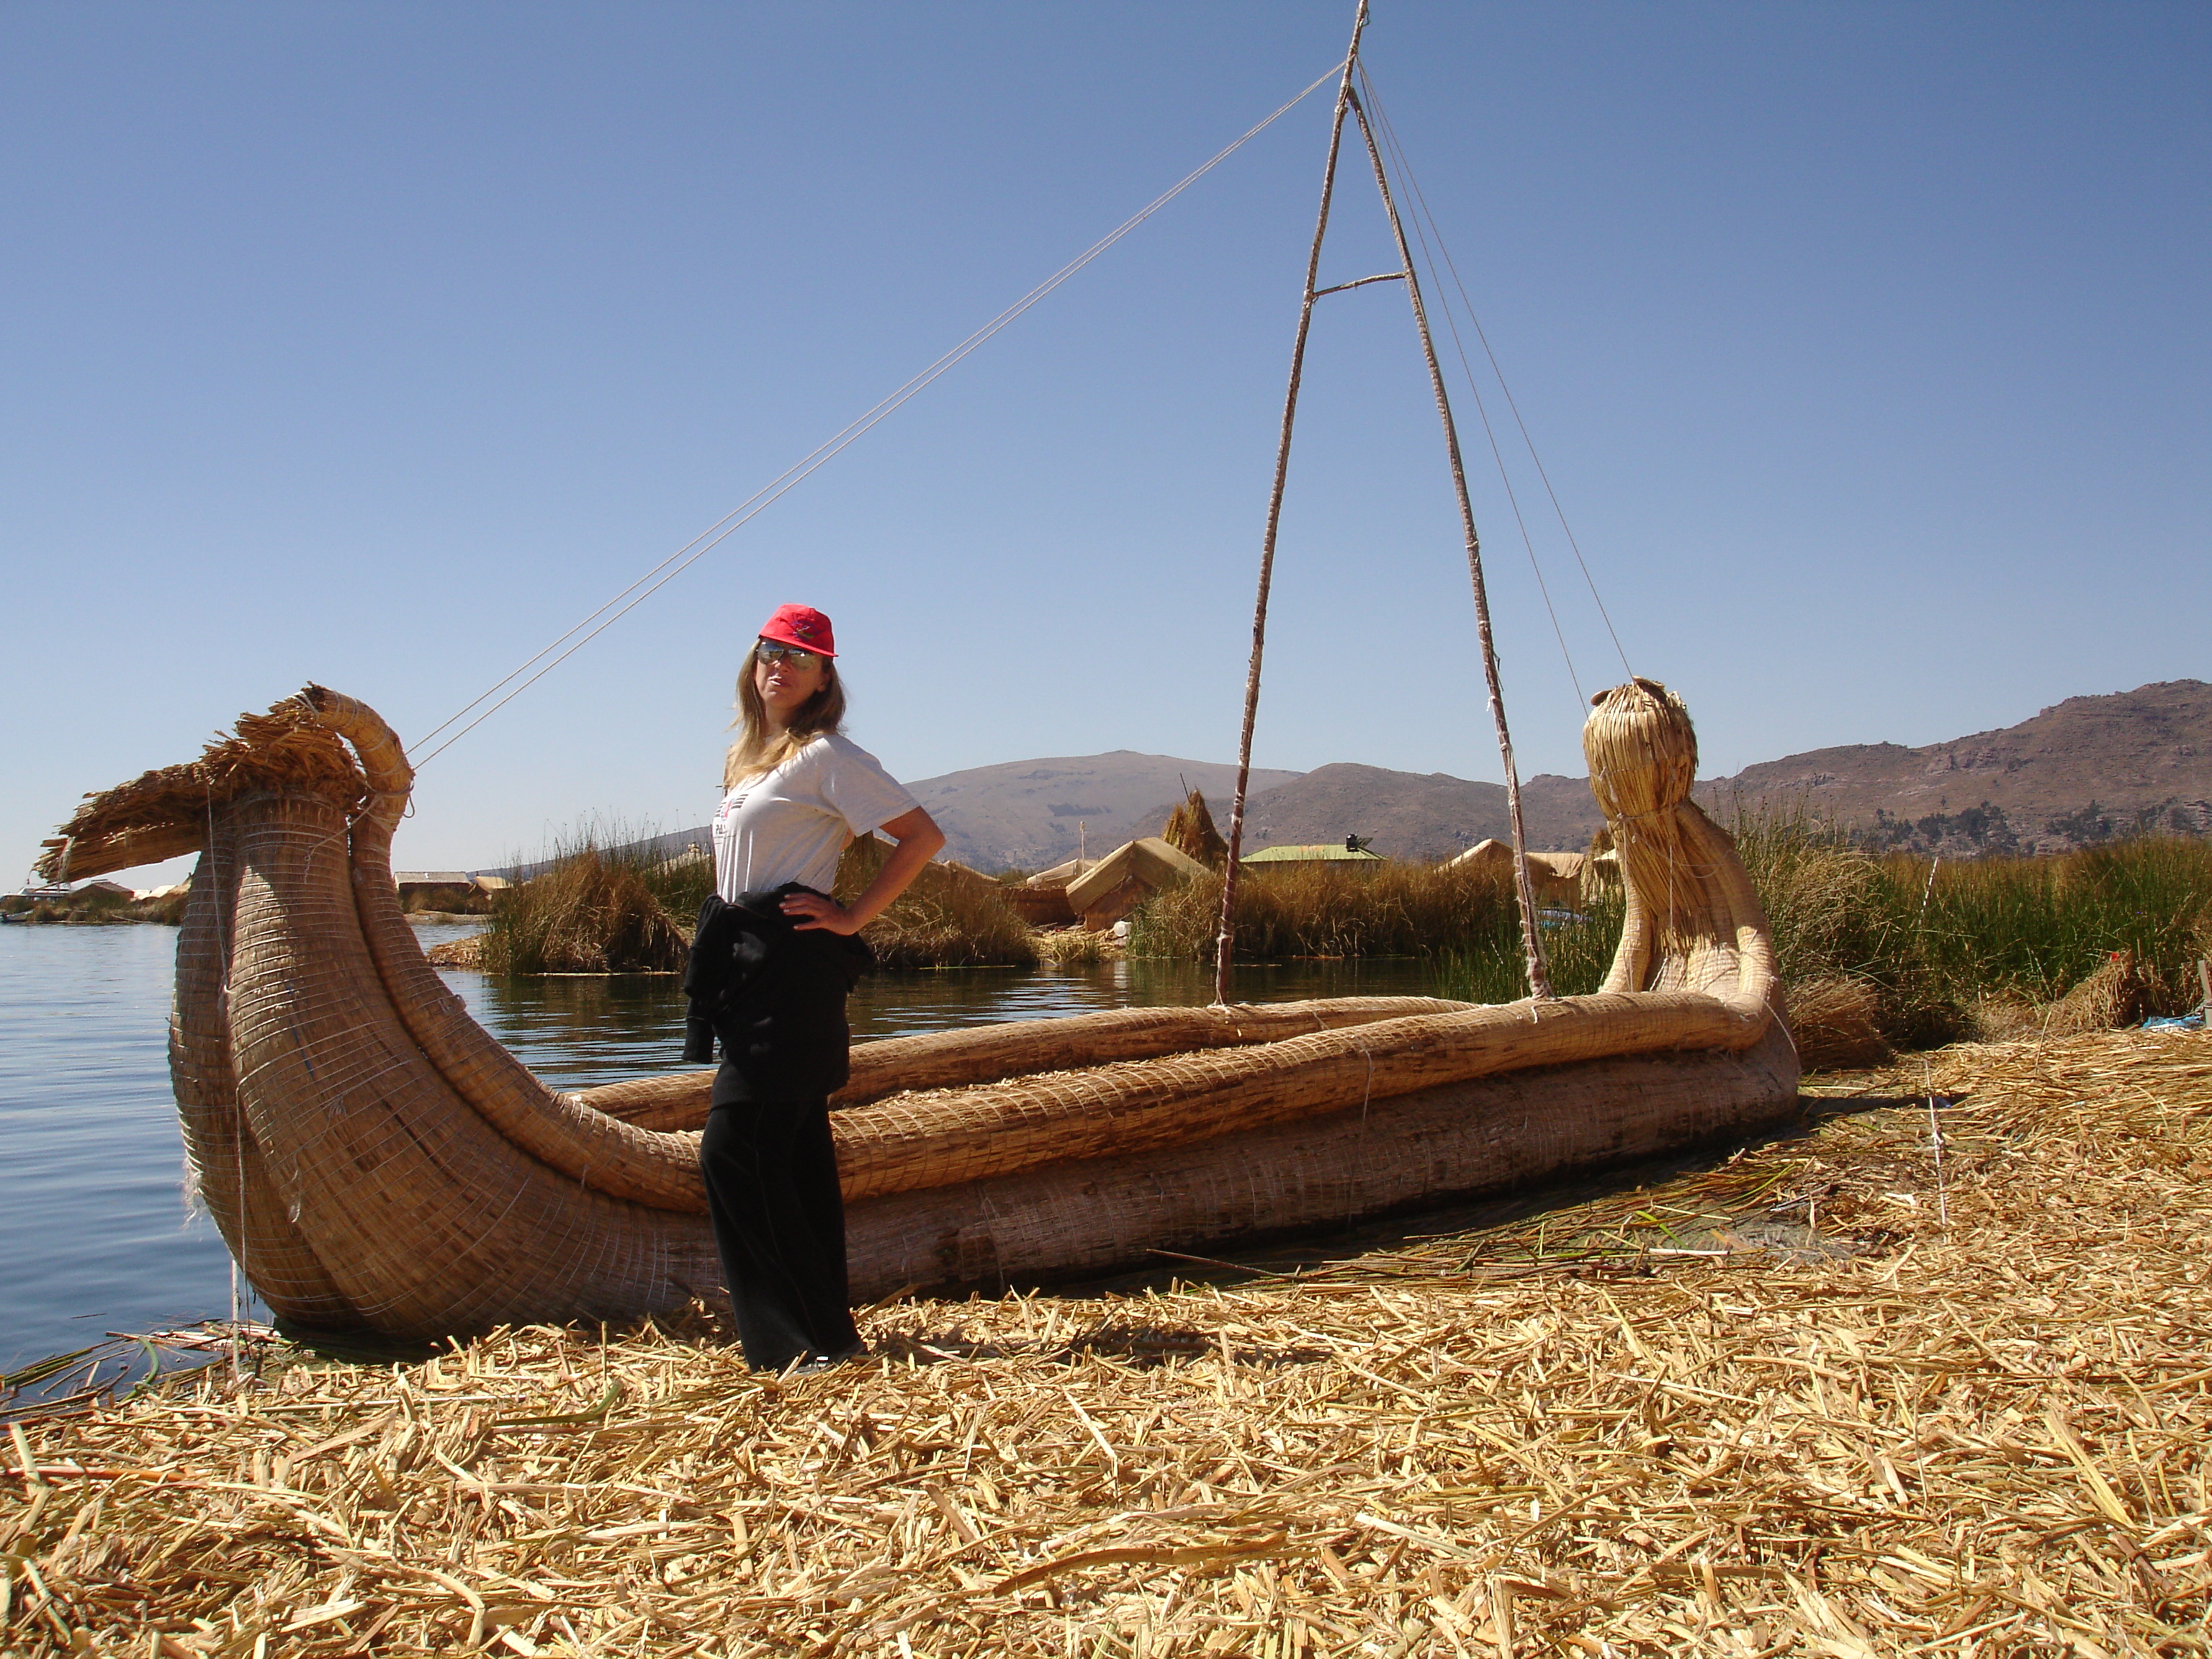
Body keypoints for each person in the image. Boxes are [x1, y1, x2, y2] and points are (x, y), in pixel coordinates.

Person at [683, 603, 945, 1373]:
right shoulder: (749, 758)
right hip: (747, 963)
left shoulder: (826, 756)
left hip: (792, 966)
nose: (780, 666)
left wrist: (854, 913)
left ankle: (794, 1340)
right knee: (794, 1152)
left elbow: (922, 835)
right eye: (770, 651)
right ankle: (824, 1336)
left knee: (732, 1150)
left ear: (824, 676)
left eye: (799, 658)